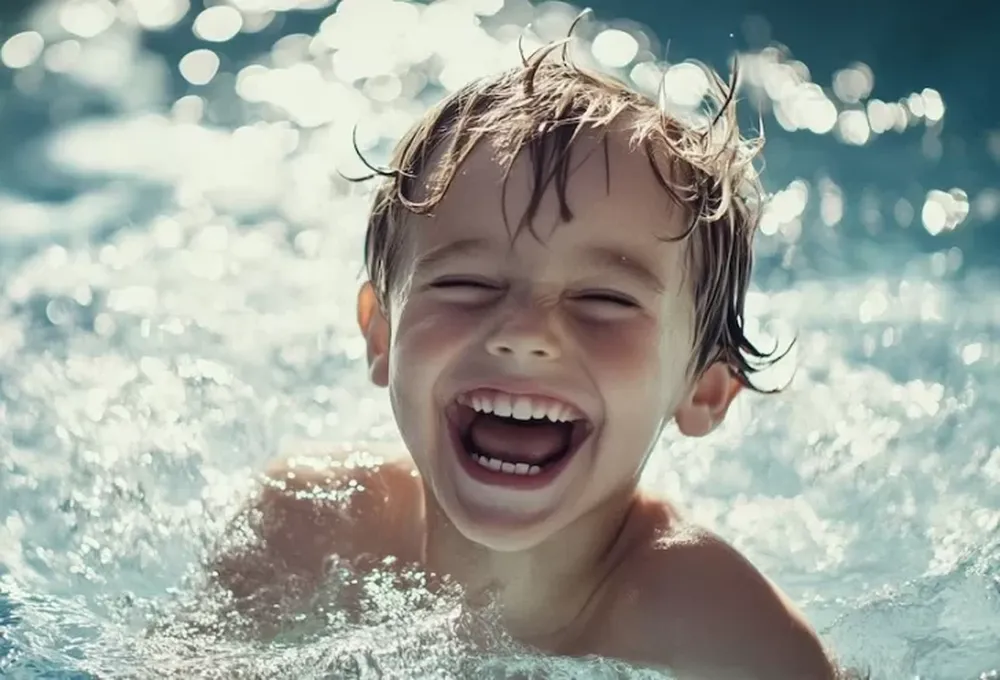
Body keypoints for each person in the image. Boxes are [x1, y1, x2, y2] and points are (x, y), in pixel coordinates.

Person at [208, 36, 849, 680]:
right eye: (467, 284)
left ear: (705, 390)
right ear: (381, 335)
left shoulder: (727, 634)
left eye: (604, 299)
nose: (525, 333)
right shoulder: (308, 527)